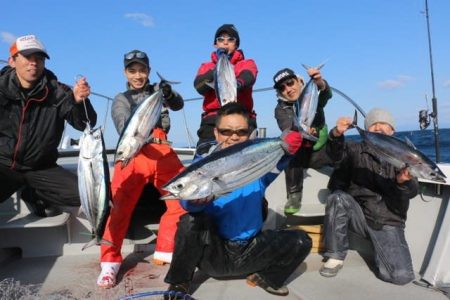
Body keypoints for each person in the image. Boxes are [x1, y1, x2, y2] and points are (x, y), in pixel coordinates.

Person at [164, 102, 312, 298]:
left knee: (302, 240)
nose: (233, 137)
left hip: (251, 249)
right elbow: (186, 201)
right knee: (190, 220)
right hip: (213, 254)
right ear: (216, 133)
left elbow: (280, 160)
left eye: (241, 132)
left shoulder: (260, 164)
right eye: (226, 131)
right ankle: (179, 284)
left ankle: (266, 278)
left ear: (249, 134)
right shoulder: (203, 165)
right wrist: (194, 203)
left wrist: (290, 145)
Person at [97, 50, 187, 288]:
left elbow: (178, 104)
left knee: (183, 197)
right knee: (119, 208)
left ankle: (165, 251)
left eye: (142, 70)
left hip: (163, 150)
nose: (138, 75)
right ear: (125, 72)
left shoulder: (158, 92)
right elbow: (122, 127)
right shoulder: (121, 99)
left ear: (148, 70)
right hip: (134, 150)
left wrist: (168, 92)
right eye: (132, 70)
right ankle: (109, 263)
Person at [0, 34, 96, 217]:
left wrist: (78, 102)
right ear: (12, 61)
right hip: (4, 166)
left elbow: (84, 124)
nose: (34, 63)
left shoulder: (59, 91)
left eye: (39, 58)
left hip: (42, 168)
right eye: (28, 57)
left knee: (87, 195)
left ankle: (35, 192)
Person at [319, 108, 418, 285]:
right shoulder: (354, 150)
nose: (379, 127)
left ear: (392, 130)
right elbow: (334, 156)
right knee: (338, 198)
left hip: (388, 221)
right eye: (373, 124)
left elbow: (412, 192)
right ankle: (335, 256)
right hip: (359, 216)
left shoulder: (404, 154)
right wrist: (336, 135)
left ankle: (381, 250)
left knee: (401, 277)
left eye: (384, 124)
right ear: (367, 131)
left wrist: (402, 182)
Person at [273, 67, 333, 214]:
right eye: (282, 87)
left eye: (290, 83)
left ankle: (339, 187)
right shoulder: (281, 109)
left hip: (320, 150)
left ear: (299, 82)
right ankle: (294, 194)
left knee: (342, 147)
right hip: (301, 152)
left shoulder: (312, 94)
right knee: (289, 152)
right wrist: (303, 132)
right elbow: (287, 129)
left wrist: (318, 81)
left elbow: (326, 94)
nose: (288, 89)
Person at [194, 24, 258, 154]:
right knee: (204, 158)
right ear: (215, 44)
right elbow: (199, 87)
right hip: (212, 119)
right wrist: (217, 68)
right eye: (221, 39)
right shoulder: (206, 66)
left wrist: (237, 84)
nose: (225, 43)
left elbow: (249, 76)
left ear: (236, 44)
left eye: (230, 40)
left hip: (242, 117)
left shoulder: (247, 63)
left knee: (245, 159)